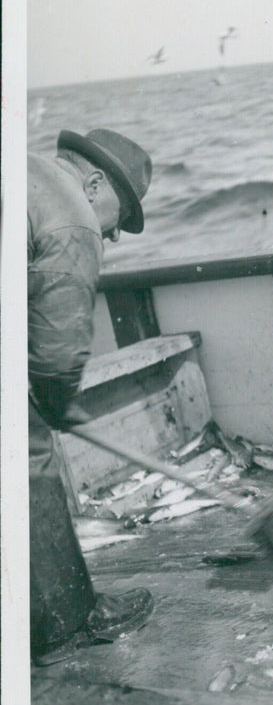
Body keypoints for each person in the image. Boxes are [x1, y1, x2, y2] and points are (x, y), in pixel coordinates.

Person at [28, 128, 155, 665]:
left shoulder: (29, 170)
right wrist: (59, 404)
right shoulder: (73, 214)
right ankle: (65, 627)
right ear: (96, 183)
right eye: (121, 218)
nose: (117, 237)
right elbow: (56, 358)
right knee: (28, 459)